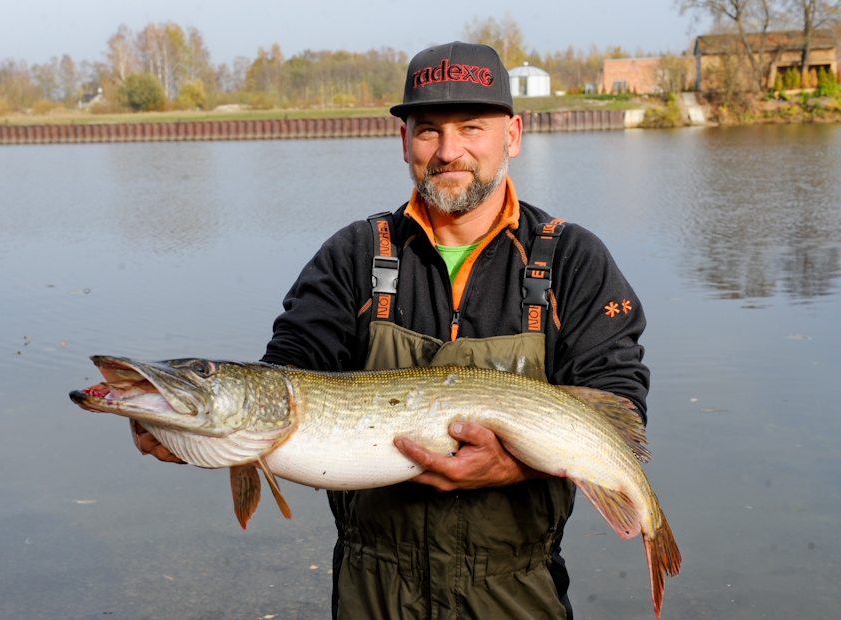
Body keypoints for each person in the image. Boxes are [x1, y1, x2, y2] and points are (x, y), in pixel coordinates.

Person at [136, 41, 649, 620]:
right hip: (373, 588)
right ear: (404, 141)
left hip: (515, 588)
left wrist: (511, 465)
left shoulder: (572, 260)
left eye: (472, 128)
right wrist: (198, 432)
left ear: (513, 135)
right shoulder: (355, 254)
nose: (449, 151)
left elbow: (618, 403)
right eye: (428, 130)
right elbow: (288, 365)